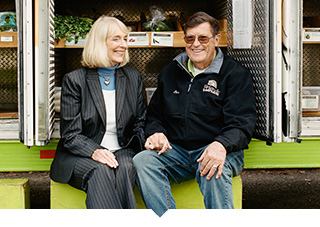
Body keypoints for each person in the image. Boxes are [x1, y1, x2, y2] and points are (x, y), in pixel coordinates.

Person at [133, 11, 257, 216]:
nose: (195, 44)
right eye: (190, 38)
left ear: (217, 39)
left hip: (219, 149)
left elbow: (243, 123)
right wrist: (156, 132)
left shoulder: (234, 75)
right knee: (143, 161)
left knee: (213, 167)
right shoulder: (170, 72)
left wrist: (221, 145)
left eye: (203, 38)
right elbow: (155, 115)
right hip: (178, 151)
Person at [50, 16, 146, 209]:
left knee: (126, 167)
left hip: (123, 149)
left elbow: (140, 122)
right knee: (101, 170)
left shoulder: (133, 77)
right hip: (81, 154)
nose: (124, 45)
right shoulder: (75, 80)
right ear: (100, 43)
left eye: (125, 39)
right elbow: (70, 135)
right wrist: (94, 151)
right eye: (116, 39)